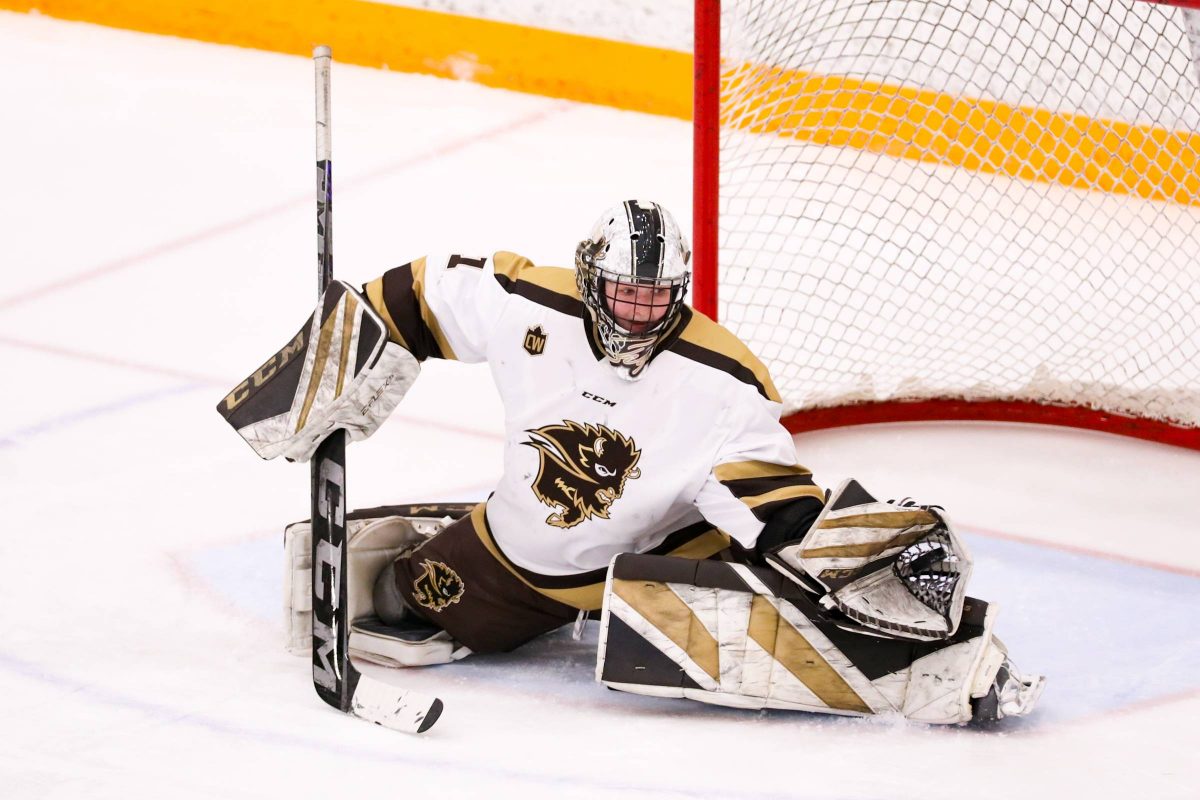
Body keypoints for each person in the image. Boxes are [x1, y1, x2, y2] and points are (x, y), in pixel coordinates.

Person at [219, 199, 1043, 724]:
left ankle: (950, 661)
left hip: (650, 557)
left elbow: (775, 507)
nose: (637, 312)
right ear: (589, 277)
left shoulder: (720, 380)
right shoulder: (528, 302)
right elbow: (410, 297)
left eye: (656, 298)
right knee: (400, 601)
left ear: (679, 293)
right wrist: (326, 369)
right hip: (518, 560)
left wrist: (840, 549)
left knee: (744, 604)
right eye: (622, 293)